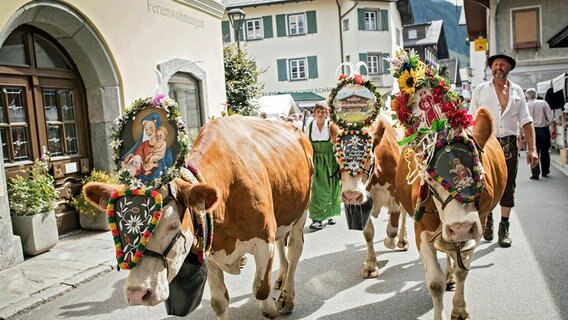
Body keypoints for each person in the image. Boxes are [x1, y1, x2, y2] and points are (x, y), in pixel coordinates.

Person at [469, 53, 538, 248]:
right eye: (496, 64)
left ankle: (504, 226)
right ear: (492, 68)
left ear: (509, 68)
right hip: (486, 143)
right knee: (486, 183)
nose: (499, 67)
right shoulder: (481, 90)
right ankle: (488, 218)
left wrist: (532, 149)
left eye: (503, 64)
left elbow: (526, 121)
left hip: (509, 144)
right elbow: (470, 117)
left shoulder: (517, 91)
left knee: (508, 186)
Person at [304, 102, 341, 230]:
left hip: (330, 160)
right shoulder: (309, 127)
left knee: (332, 188)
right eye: (318, 112)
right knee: (317, 190)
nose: (320, 114)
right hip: (315, 160)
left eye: (323, 112)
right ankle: (317, 218)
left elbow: (337, 143)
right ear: (314, 113)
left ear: (327, 113)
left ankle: (331, 214)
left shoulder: (331, 126)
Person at [525, 88, 556, 180]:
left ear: (527, 96)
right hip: (543, 129)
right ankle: (545, 170)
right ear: (536, 94)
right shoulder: (543, 103)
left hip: (531, 130)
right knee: (545, 151)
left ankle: (535, 173)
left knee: (533, 151)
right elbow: (550, 118)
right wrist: (553, 129)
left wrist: (522, 133)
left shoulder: (526, 105)